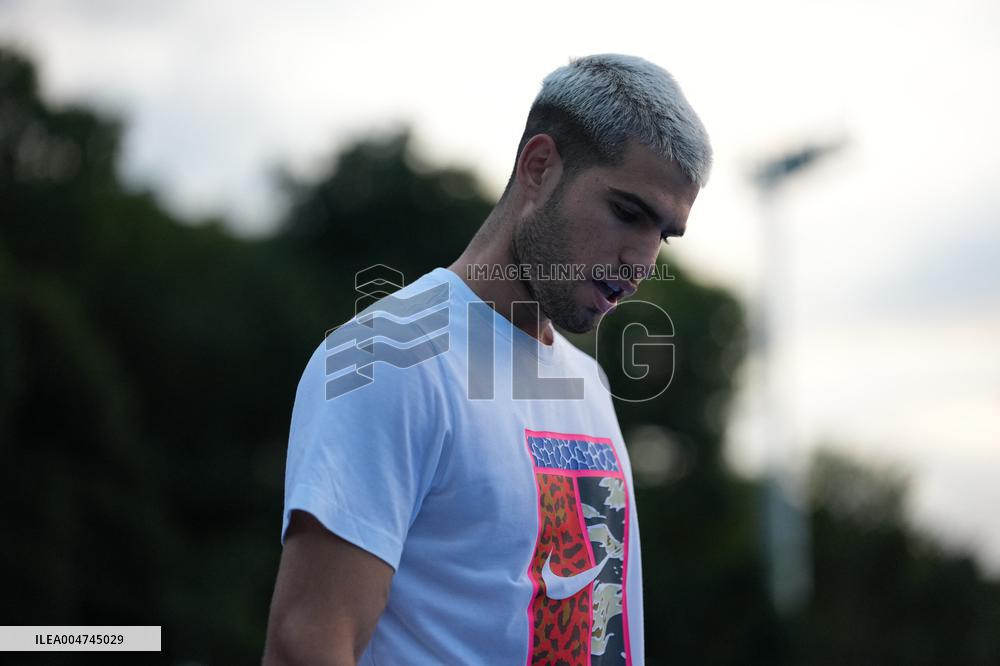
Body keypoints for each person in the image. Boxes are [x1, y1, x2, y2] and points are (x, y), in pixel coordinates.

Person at [263, 53, 712, 665]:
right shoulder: (384, 358)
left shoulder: (588, 383)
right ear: (539, 167)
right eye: (627, 213)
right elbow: (306, 644)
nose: (642, 260)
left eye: (664, 232)